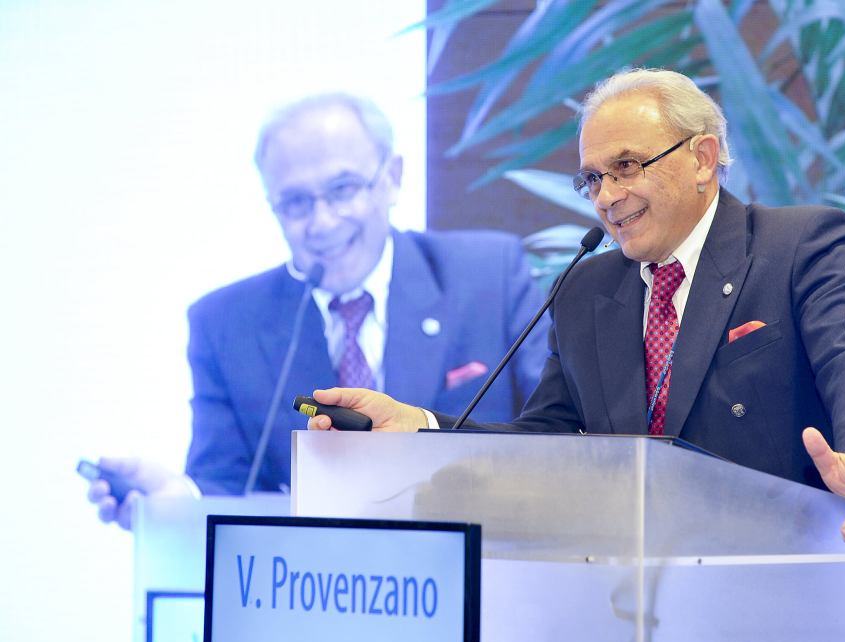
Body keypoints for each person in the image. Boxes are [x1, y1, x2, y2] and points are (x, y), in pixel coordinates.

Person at [307, 69, 845, 642]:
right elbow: (546, 443)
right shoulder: (585, 290)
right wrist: (420, 428)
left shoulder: (795, 245)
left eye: (626, 166)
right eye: (593, 178)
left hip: (804, 625)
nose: (605, 197)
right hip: (652, 640)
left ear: (703, 158)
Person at [88, 92, 549, 526]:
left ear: (392, 178)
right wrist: (175, 505)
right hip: (314, 576)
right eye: (296, 203)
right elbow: (226, 485)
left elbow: (551, 438)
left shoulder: (487, 277)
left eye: (342, 189)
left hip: (479, 560)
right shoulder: (225, 323)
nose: (322, 222)